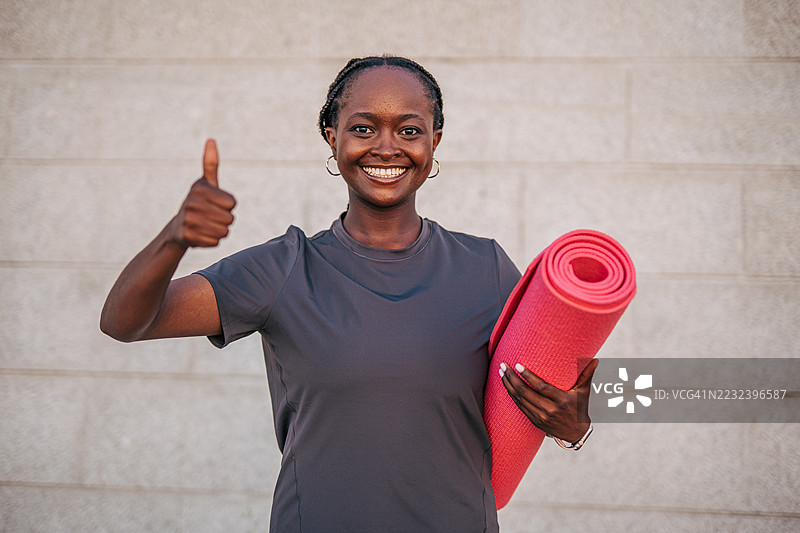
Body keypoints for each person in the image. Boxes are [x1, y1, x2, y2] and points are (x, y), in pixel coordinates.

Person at [100, 55, 596, 533]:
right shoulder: (285, 268)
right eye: (363, 128)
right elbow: (125, 322)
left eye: (408, 130)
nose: (386, 147)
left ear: (434, 141)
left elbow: (568, 382)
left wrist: (575, 428)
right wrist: (175, 237)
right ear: (331, 137)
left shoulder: (485, 268)